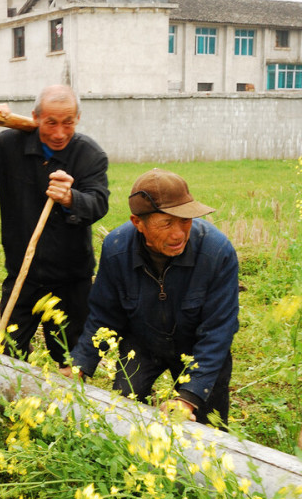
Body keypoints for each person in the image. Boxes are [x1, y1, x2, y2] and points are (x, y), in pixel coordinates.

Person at [68, 169, 239, 427]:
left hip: (197, 346)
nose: (179, 233)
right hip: (143, 341)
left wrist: (189, 397)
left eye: (185, 220)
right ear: (138, 223)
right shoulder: (116, 249)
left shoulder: (217, 253)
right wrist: (79, 364)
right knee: (124, 413)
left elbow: (218, 331)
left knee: (209, 431)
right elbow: (105, 314)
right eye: (167, 223)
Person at [0, 85, 109, 364]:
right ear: (36, 117)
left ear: (77, 118)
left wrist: (71, 198)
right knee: (8, 352)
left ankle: (68, 405)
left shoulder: (89, 155)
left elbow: (99, 203)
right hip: (22, 272)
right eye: (51, 123)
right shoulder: (10, 144)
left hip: (71, 277)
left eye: (68, 123)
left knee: (70, 356)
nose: (59, 133)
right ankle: (9, 404)